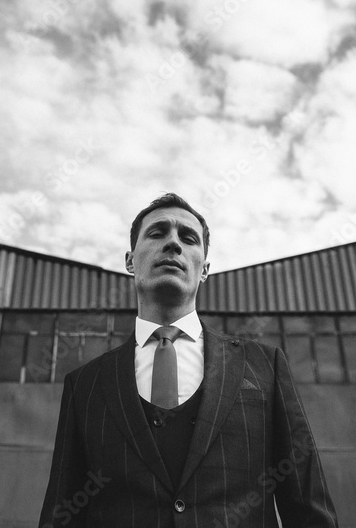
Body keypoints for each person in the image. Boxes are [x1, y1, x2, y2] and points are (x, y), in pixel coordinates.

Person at [38, 193, 338, 527]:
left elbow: (308, 506)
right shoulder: (85, 385)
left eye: (188, 238)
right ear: (130, 260)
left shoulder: (265, 366)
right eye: (157, 233)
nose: (173, 244)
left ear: (205, 269)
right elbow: (61, 515)